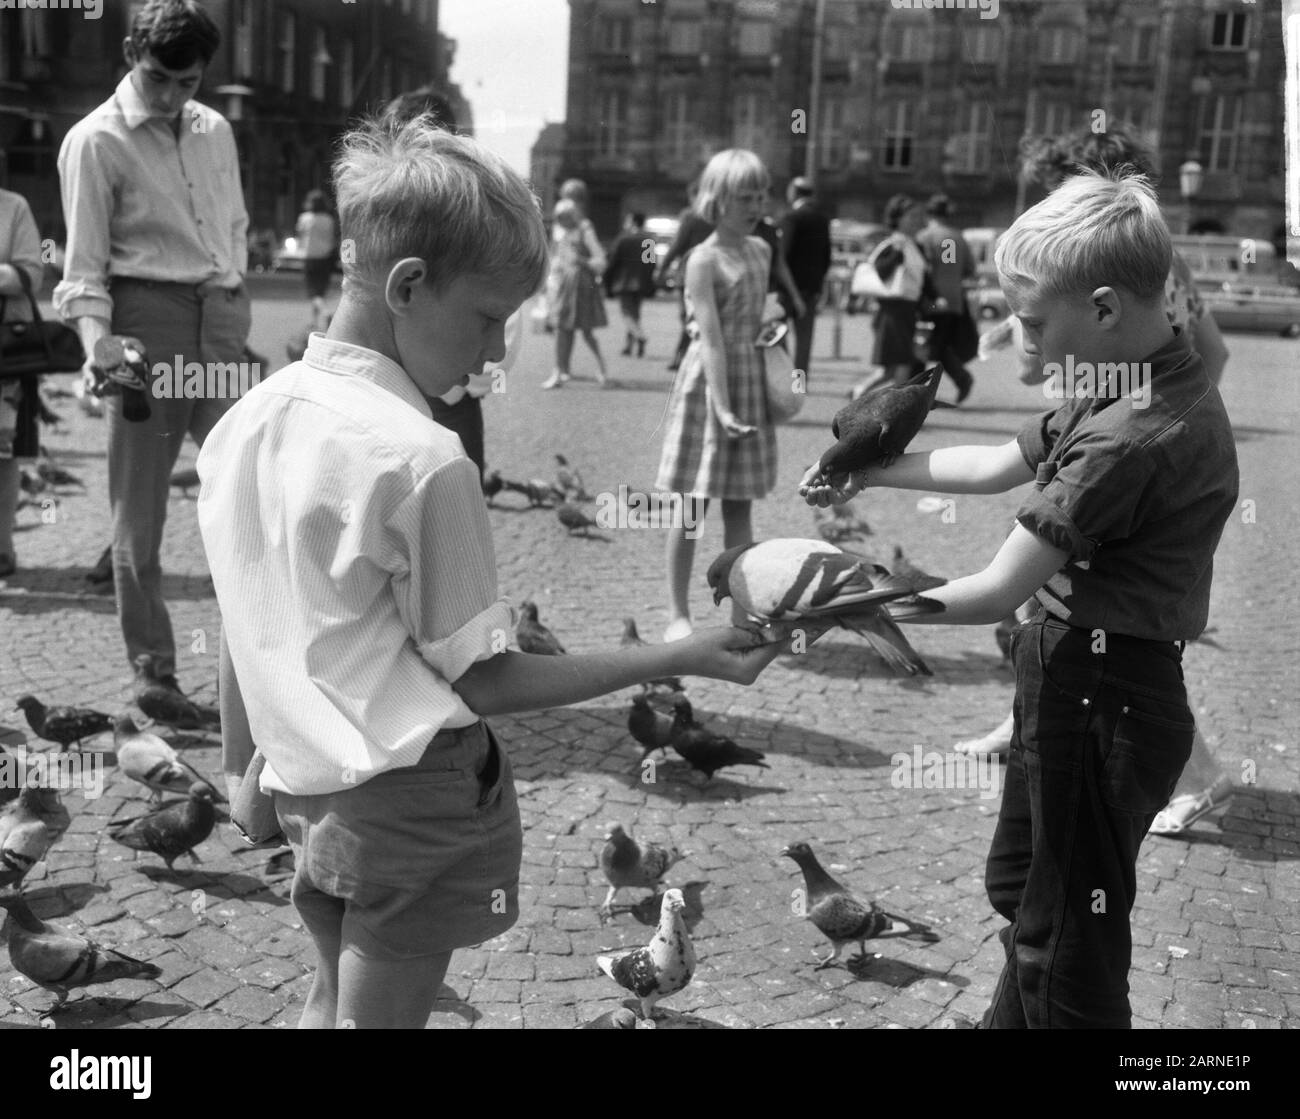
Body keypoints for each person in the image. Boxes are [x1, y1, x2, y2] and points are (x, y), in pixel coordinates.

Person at [196, 117, 812, 1029]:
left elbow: (244, 620)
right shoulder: (422, 459)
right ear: (408, 285)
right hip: (409, 802)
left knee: (327, 1003)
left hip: (306, 793)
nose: (493, 357)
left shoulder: (244, 420)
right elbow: (486, 678)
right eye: (486, 319)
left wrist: (237, 762)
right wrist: (684, 657)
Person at [802, 171, 1238, 1028]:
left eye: (1033, 321)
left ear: (1105, 309)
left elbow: (998, 586)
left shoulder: (1129, 436)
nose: (1017, 337)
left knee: (1068, 939)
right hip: (1072, 682)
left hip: (1108, 701)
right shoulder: (1121, 381)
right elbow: (997, 460)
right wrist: (868, 471)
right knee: (1026, 895)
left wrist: (848, 608)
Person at [956, 127, 1236, 839]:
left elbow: (1212, 352)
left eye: (1053, 186)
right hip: (1104, 420)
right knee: (1045, 595)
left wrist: (1162, 454)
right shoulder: (1123, 272)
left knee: (1082, 614)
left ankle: (1201, 778)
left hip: (1127, 452)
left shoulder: (1147, 279)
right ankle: (1021, 713)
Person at [54, 0, 250, 691]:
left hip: (221, 325)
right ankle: (154, 673)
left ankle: (269, 665)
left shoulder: (215, 129)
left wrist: (233, 301)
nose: (170, 96)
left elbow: (233, 225)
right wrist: (99, 348)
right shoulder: (94, 140)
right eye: (158, 77)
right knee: (139, 514)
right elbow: (82, 272)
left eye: (187, 82)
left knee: (257, 491)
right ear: (133, 52)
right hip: (149, 330)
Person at [657, 149, 779, 643]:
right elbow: (707, 338)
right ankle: (677, 613)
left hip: (748, 377)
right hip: (709, 384)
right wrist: (723, 406)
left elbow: (763, 318)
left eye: (760, 196)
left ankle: (742, 611)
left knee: (739, 507)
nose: (754, 205)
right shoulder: (701, 260)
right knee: (691, 510)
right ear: (716, 199)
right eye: (743, 197)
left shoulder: (761, 250)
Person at [0, 187, 45, 579]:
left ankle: (2, 546)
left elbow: (31, 273)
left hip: (5, 350)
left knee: (4, 451)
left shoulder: (13, 206)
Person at [852, 194, 933, 397]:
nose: (916, 221)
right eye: (911, 216)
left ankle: (861, 393)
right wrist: (897, 252)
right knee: (902, 364)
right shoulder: (892, 244)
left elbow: (923, 280)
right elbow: (881, 272)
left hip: (907, 311)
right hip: (892, 311)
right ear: (898, 218)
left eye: (917, 216)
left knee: (890, 369)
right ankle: (896, 407)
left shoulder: (917, 245)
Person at [916, 193, 977, 403]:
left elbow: (922, 267)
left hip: (933, 300)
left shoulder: (926, 236)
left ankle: (960, 379)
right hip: (955, 299)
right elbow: (970, 269)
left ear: (928, 214)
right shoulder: (958, 237)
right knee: (940, 345)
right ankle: (959, 379)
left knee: (929, 345)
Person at [541, 198, 608, 388]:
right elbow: (557, 260)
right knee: (563, 329)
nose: (561, 222)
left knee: (585, 331)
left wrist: (581, 261)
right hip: (565, 285)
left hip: (582, 286)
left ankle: (601, 367)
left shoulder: (585, 230)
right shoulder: (564, 232)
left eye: (564, 218)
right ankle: (560, 370)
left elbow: (600, 260)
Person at [658, 180, 715, 372]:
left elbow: (677, 245)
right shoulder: (719, 215)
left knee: (688, 318)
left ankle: (681, 357)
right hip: (714, 274)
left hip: (689, 274)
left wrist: (661, 268)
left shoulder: (690, 216)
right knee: (703, 317)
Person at [779, 177, 832, 380]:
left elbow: (783, 253)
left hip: (786, 289)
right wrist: (818, 284)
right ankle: (799, 385)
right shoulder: (822, 219)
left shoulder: (791, 217)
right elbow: (827, 256)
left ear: (793, 192)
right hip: (810, 289)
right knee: (804, 343)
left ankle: (782, 381)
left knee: (779, 338)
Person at [603, 211, 656, 357]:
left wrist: (607, 280)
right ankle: (630, 346)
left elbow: (613, 262)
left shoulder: (623, 239)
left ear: (632, 221)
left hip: (624, 281)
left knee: (627, 314)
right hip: (641, 283)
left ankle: (640, 336)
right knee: (635, 315)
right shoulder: (648, 240)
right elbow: (651, 263)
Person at [296, 189, 337, 331]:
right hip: (325, 258)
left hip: (310, 257)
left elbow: (300, 235)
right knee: (320, 291)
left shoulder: (304, 218)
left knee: (313, 292)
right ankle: (313, 321)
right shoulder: (329, 219)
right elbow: (332, 238)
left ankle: (325, 313)